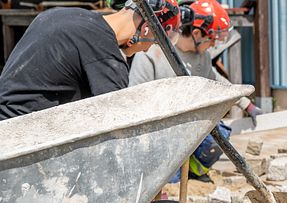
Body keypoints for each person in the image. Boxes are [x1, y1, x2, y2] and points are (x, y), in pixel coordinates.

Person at [128, 0, 261, 183]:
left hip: (189, 127)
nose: (213, 45)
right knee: (168, 181)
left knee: (219, 133)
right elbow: (134, 98)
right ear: (197, 33)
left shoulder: (202, 57)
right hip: (159, 132)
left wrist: (248, 104)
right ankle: (173, 175)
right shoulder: (152, 53)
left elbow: (217, 82)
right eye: (212, 40)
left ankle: (194, 171)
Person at [0, 0, 181, 121]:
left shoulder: (67, 15)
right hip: (20, 132)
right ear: (147, 29)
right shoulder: (104, 54)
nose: (148, 48)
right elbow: (119, 122)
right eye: (154, 41)